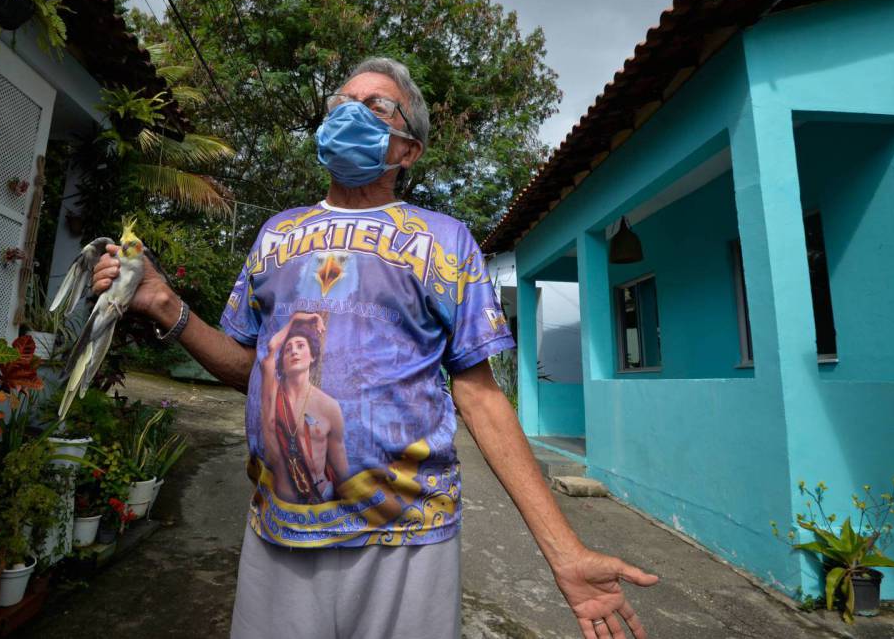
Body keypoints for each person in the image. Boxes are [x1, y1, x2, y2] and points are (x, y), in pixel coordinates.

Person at [93, 57, 658, 638]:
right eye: (342, 103)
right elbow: (250, 369)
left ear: (408, 150)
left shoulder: (445, 241)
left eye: (376, 106)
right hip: (280, 525)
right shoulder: (276, 234)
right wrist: (165, 304)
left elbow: (480, 397)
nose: (351, 114)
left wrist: (565, 552)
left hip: (407, 536)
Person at [261, 311, 348, 503]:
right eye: (288, 349)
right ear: (282, 363)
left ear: (312, 356)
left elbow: (341, 468)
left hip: (319, 498)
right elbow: (272, 348)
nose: (294, 351)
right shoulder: (272, 396)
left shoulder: (329, 406)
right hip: (282, 503)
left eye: (300, 346)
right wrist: (295, 319)